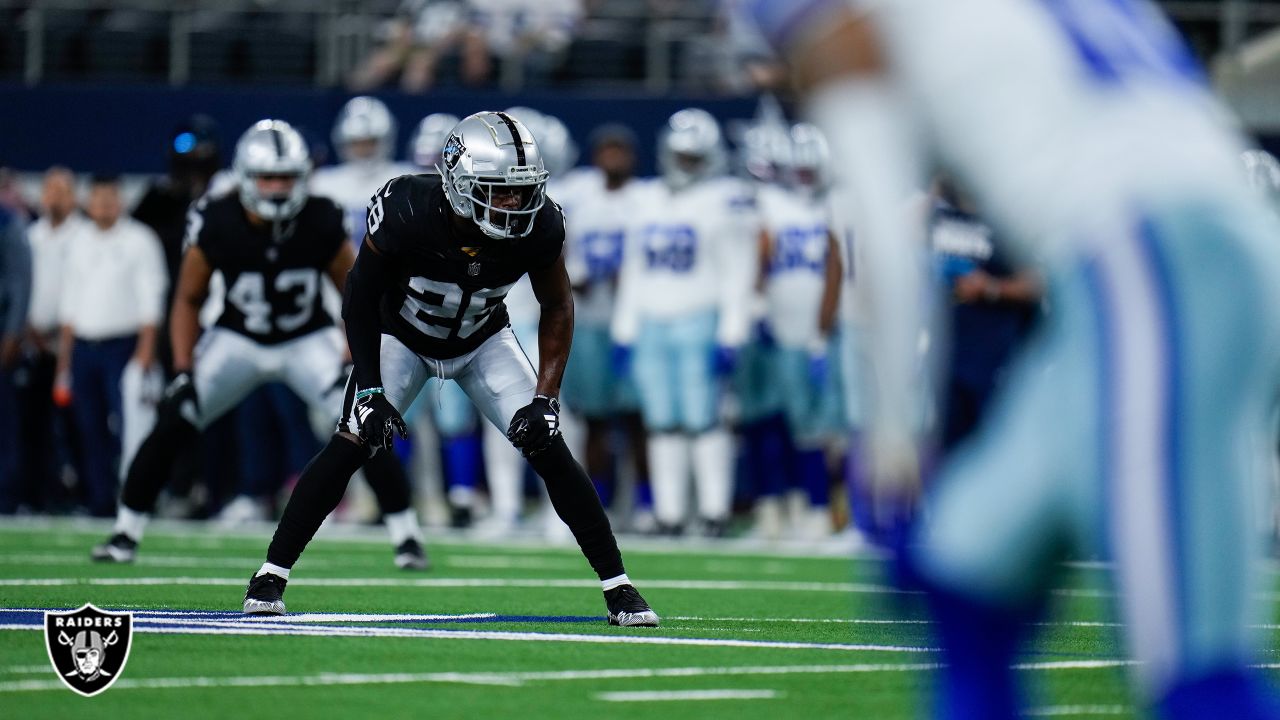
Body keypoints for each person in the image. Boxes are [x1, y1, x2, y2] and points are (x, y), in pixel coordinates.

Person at [745, 0, 1280, 717]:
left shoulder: (855, 22)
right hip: (1171, 256)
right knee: (965, 573)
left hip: (1151, 256)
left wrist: (895, 437)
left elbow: (883, 235)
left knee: (1196, 673)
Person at [242, 111, 658, 628]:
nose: (515, 203)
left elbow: (557, 305)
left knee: (548, 444)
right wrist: (370, 389)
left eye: (522, 190)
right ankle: (271, 573)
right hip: (402, 335)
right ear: (459, 182)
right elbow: (359, 297)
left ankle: (618, 585)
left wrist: (546, 400)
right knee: (351, 440)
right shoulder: (407, 208)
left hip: (482, 339)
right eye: (498, 190)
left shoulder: (542, 223)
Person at [90, 120, 428, 570]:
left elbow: (355, 291)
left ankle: (406, 535)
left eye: (285, 177)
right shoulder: (217, 218)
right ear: (245, 178)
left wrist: (352, 353)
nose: (275, 188)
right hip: (238, 339)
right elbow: (188, 299)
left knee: (363, 426)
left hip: (305, 339)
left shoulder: (321, 216)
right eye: (267, 177)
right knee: (176, 416)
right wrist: (186, 369)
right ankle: (125, 531)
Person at [611, 108, 758, 536]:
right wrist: (625, 328)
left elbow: (739, 270)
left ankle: (714, 512)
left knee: (704, 421)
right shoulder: (646, 197)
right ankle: (669, 514)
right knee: (661, 423)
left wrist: (733, 330)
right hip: (652, 323)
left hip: (700, 319)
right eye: (680, 155)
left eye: (694, 157)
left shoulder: (726, 198)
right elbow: (633, 268)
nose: (685, 163)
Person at [559, 123, 652, 533]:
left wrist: (628, 276)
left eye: (621, 151)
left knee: (638, 419)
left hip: (635, 324)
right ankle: (598, 504)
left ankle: (647, 504)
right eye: (607, 150)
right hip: (592, 319)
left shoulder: (646, 200)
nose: (613, 158)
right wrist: (576, 274)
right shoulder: (580, 196)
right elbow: (562, 248)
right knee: (594, 420)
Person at [56, 175, 167, 517]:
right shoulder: (78, 240)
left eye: (110, 197)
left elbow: (152, 299)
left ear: (121, 201)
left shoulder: (140, 239)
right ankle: (99, 500)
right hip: (85, 348)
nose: (104, 204)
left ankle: (136, 500)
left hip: (124, 346)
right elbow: (69, 305)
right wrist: (64, 362)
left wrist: (146, 351)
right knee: (89, 427)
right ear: (88, 203)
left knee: (132, 430)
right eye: (98, 198)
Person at [755, 122, 843, 539]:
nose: (805, 178)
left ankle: (826, 509)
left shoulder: (839, 205)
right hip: (784, 328)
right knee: (786, 423)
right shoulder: (772, 204)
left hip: (832, 331)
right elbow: (761, 260)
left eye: (812, 170)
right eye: (800, 170)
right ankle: (797, 507)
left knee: (831, 428)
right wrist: (757, 309)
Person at [20, 167, 85, 511]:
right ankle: (39, 495)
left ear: (73, 196)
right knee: (35, 425)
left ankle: (82, 494)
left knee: (78, 425)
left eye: (62, 189)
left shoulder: (84, 235)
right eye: (50, 189)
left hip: (74, 345)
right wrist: (27, 326)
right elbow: (26, 286)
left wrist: (66, 331)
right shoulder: (32, 235)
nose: (55, 197)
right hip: (35, 344)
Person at [311, 96, 416, 246]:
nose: (364, 150)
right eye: (357, 143)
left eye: (370, 142)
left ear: (386, 141)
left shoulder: (406, 179)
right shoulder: (322, 183)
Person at [0, 200, 31, 513]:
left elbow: (18, 282)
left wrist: (12, 333)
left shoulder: (7, 223)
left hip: (1, 335)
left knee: (5, 424)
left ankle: (7, 496)